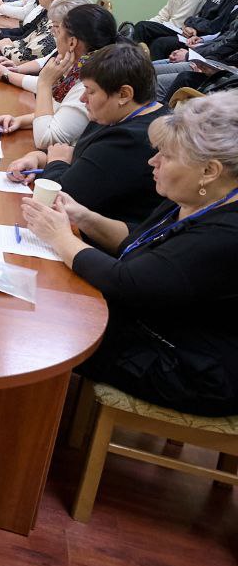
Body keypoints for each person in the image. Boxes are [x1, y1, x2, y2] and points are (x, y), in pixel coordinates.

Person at [22, 90, 238, 416]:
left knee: (45, 327)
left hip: (191, 366)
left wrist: (61, 237)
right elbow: (136, 242)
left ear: (210, 170)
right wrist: (83, 216)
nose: (153, 161)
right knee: (48, 303)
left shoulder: (225, 234)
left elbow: (127, 281)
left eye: (167, 156)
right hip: (158, 324)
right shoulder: (198, 196)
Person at [7, 43, 169, 228]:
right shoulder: (115, 115)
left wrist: (55, 162)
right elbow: (77, 158)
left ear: (124, 94)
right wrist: (38, 158)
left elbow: (62, 199)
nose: (82, 98)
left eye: (90, 91)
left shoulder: (132, 140)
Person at [0, 4, 120, 148]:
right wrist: (20, 121)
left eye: (58, 32)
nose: (55, 37)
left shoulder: (89, 82)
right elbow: (59, 113)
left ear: (72, 42)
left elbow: (45, 140)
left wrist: (45, 83)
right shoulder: (82, 67)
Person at [0, 0, 93, 85]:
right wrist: (15, 69)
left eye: (56, 26)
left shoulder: (83, 72)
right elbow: (43, 61)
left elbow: (45, 84)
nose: (52, 31)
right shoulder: (69, 47)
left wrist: (7, 74)